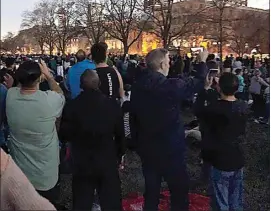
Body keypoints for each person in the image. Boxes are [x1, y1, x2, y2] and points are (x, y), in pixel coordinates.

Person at [130, 48, 208, 211]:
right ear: (161, 64)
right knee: (179, 191)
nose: (170, 64)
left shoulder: (138, 86)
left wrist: (137, 142)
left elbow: (133, 117)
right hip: (170, 148)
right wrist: (201, 62)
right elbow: (196, 83)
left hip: (148, 147)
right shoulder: (168, 86)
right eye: (168, 61)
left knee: (151, 191)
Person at [59, 69, 125, 211]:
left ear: (81, 85)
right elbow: (120, 134)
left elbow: (64, 135)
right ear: (99, 84)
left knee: (82, 203)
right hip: (106, 160)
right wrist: (119, 155)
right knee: (111, 202)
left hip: (82, 162)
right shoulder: (111, 105)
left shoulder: (72, 106)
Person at [6, 60, 65, 207]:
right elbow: (60, 94)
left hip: (20, 171)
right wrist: (50, 77)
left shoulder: (10, 96)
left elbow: (17, 88)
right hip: (45, 173)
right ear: (40, 78)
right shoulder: (49, 100)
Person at [194, 72, 248, 211]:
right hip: (237, 156)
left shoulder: (214, 109)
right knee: (236, 198)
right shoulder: (243, 106)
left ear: (219, 87)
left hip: (220, 159)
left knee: (220, 199)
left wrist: (205, 90)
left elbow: (198, 110)